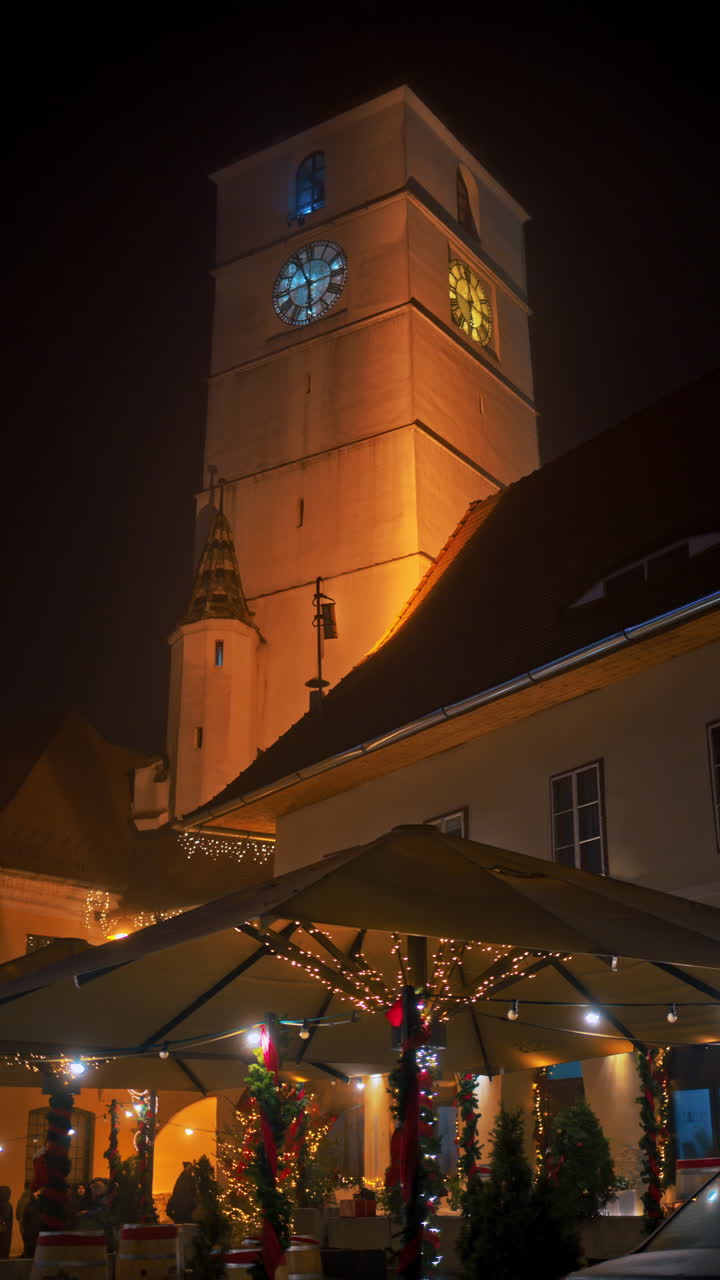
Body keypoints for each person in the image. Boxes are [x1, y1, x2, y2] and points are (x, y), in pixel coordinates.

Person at [20, 1189, 42, 1258]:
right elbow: (25, 1219)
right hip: (31, 1233)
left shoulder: (40, 1205)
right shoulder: (29, 1205)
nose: (37, 1193)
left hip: (36, 1232)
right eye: (36, 1191)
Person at [0, 1187, 13, 1260]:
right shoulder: (6, 1204)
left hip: (4, 1232)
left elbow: (4, 1217)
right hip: (5, 1232)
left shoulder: (5, 1205)